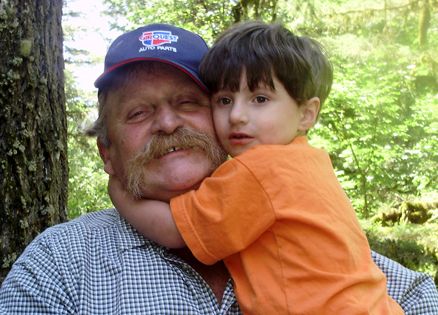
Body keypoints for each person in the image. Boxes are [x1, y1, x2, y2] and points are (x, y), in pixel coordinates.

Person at [0, 23, 437, 315]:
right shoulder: (61, 265)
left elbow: (412, 294)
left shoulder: (298, 224)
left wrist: (120, 193)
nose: (168, 123)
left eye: (189, 102)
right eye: (137, 113)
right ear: (106, 152)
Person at [107, 21, 404, 314]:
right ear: (106, 153)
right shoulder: (309, 162)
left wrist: (120, 193)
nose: (237, 115)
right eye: (224, 100)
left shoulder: (261, 171)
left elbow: (175, 230)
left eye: (260, 99)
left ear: (306, 114)